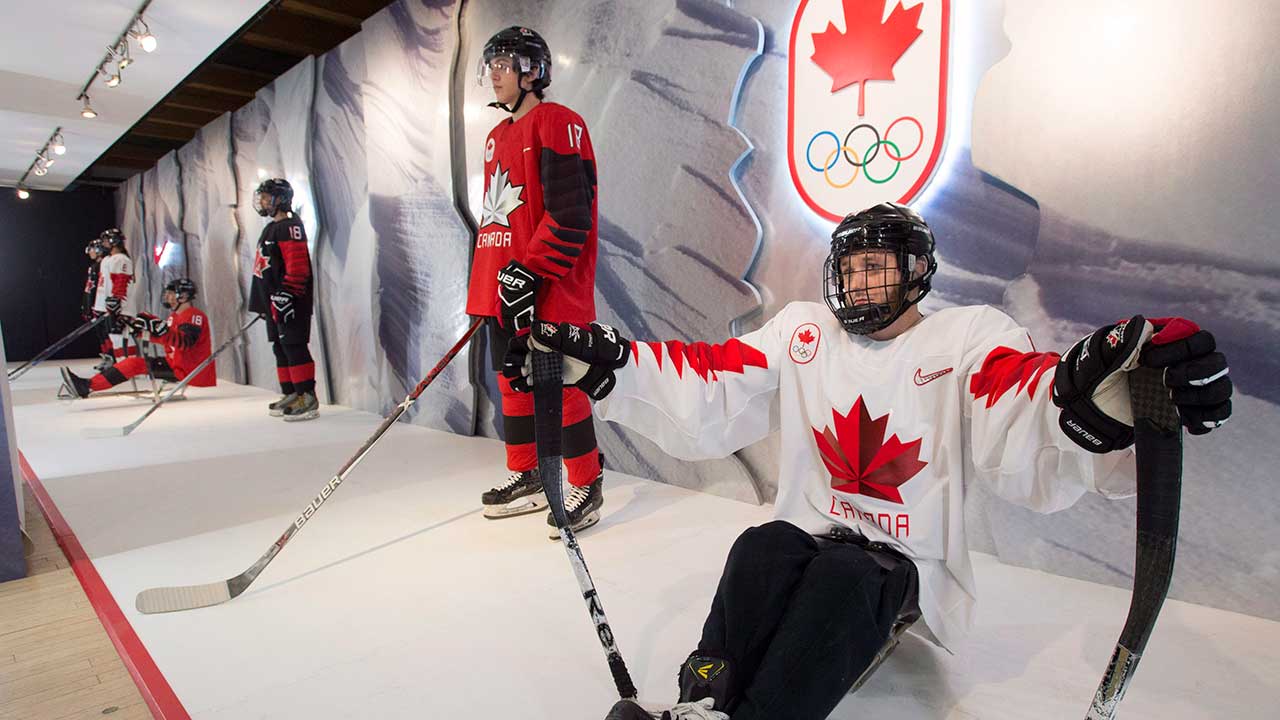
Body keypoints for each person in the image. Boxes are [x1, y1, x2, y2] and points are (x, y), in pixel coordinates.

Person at [504, 203, 1233, 720]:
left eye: (875, 269)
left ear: (917, 273)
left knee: (847, 575)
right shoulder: (804, 332)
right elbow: (715, 376)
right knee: (761, 543)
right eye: (848, 271)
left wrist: (1095, 395)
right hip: (813, 534)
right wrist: (608, 366)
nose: (856, 285)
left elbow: (1020, 390)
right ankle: (700, 704)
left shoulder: (965, 338)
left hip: (902, 561)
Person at [469, 26, 606, 537]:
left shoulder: (558, 123)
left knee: (561, 384)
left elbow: (572, 212)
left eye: (504, 63)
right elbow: (496, 219)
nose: (494, 74)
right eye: (491, 64)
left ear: (534, 71)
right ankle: (525, 474)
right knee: (512, 384)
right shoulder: (494, 138)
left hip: (547, 284)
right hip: (501, 286)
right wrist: (488, 285)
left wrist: (531, 269)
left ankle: (585, 482)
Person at [62, 278, 215, 398]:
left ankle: (88, 385)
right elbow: (168, 341)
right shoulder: (175, 316)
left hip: (188, 369)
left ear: (183, 296)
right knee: (133, 363)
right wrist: (142, 333)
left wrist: (161, 330)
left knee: (133, 364)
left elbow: (185, 343)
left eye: (171, 293)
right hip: (176, 364)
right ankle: (88, 384)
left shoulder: (194, 315)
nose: (167, 297)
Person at [250, 178, 319, 422]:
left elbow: (298, 266)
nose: (263, 201)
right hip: (273, 302)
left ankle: (306, 395)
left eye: (268, 197)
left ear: (281, 198)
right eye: (263, 197)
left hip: (290, 301)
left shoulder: (290, 226)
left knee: (294, 345)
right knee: (279, 347)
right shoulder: (269, 228)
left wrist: (287, 293)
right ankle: (291, 392)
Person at [93, 228, 137, 365]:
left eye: (106, 241)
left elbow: (121, 280)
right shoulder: (107, 259)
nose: (104, 244)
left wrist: (116, 300)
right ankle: (122, 365)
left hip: (119, 306)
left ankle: (130, 365)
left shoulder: (121, 259)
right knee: (113, 336)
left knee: (121, 335)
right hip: (107, 306)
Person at [82, 238, 115, 370]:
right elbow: (89, 288)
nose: (89, 252)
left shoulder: (103, 265)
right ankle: (107, 356)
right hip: (95, 304)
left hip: (101, 304)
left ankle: (112, 357)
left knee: (106, 332)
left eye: (91, 249)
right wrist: (87, 305)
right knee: (100, 333)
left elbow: (100, 287)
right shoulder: (94, 266)